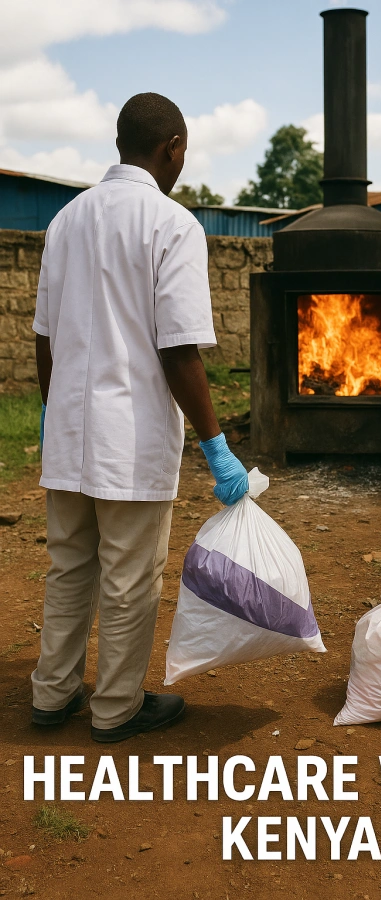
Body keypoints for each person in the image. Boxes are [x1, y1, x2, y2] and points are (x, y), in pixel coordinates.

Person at [30, 92, 248, 743]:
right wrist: (216, 445)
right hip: (130, 443)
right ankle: (116, 708)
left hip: (70, 435)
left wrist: (54, 415)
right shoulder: (172, 225)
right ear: (172, 147)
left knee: (70, 567)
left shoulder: (65, 222)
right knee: (129, 577)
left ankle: (51, 693)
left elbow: (43, 336)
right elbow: (177, 348)